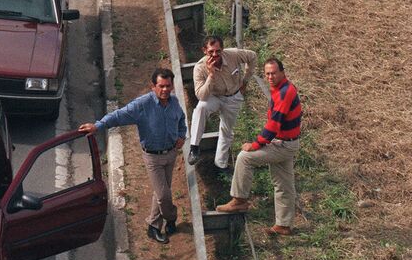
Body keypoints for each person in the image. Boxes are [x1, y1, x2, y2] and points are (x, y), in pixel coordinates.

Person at [80, 68, 186, 244]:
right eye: (161, 86)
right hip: (153, 157)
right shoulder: (142, 105)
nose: (165, 90)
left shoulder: (174, 102)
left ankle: (153, 227)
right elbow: (119, 115)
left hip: (171, 153)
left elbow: (181, 120)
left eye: (168, 86)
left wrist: (181, 135)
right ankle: (172, 217)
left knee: (162, 191)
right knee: (163, 196)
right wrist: (98, 126)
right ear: (153, 86)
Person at [217, 57, 301, 236]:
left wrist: (255, 144)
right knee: (284, 184)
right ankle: (284, 225)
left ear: (282, 72)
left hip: (283, 144)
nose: (270, 77)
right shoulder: (281, 89)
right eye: (267, 73)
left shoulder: (285, 92)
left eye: (274, 73)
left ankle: (239, 199)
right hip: (287, 142)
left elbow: (274, 124)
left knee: (244, 158)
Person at [188, 36, 257, 171]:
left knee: (227, 130)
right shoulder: (199, 68)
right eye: (211, 52)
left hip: (233, 96)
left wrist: (245, 80)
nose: (215, 55)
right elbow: (201, 95)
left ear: (223, 49)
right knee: (201, 108)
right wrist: (211, 75)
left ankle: (221, 164)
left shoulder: (233, 55)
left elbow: (253, 56)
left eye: (218, 51)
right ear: (204, 51)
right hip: (214, 96)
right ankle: (194, 148)